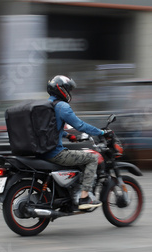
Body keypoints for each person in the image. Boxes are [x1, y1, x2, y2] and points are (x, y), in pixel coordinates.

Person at [41, 75, 112, 210]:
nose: (70, 93)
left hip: (42, 151)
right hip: (55, 153)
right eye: (69, 89)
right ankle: (84, 197)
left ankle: (71, 192)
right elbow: (80, 125)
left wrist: (68, 135)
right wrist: (101, 132)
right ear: (62, 90)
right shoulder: (62, 106)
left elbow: (50, 129)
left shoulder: (46, 105)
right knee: (92, 158)